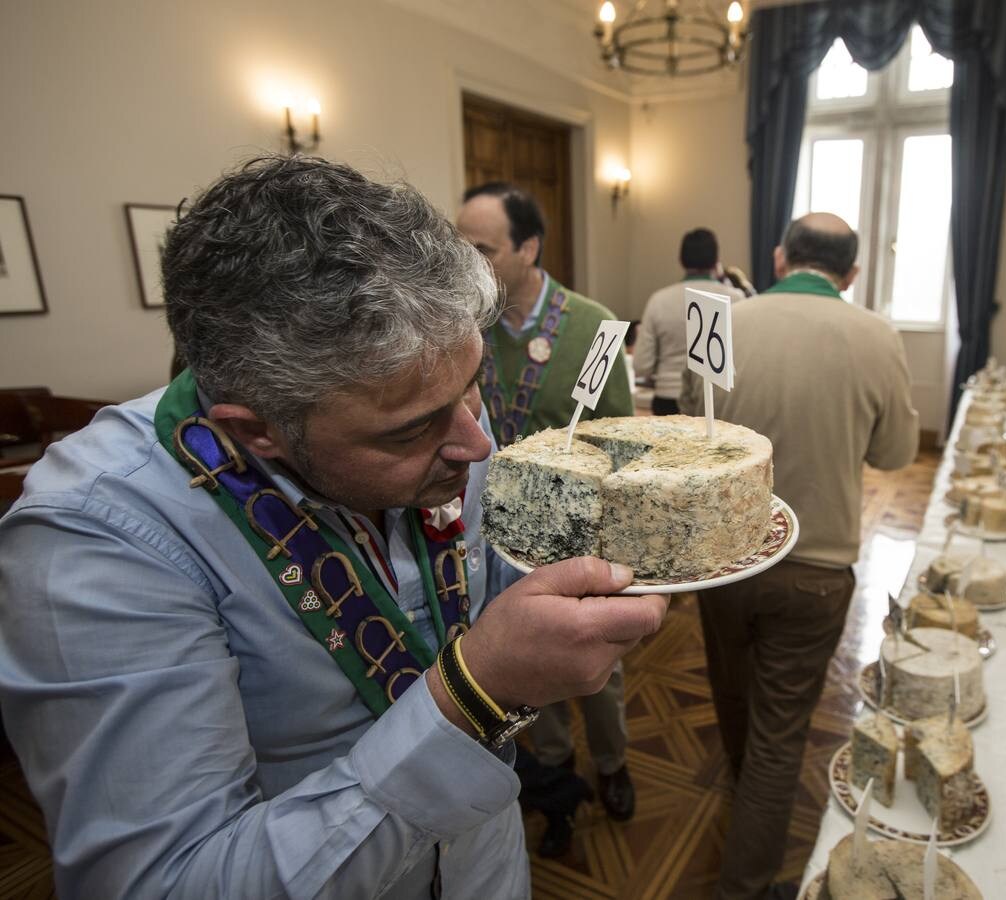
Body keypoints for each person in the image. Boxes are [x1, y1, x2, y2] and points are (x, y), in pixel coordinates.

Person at [0, 156, 668, 900]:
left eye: (470, 385)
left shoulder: (443, 426)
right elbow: (164, 884)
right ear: (259, 434)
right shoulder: (96, 536)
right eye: (411, 429)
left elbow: (495, 581)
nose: (478, 447)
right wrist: (476, 692)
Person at [681, 213, 919, 900]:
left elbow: (697, 435)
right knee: (781, 736)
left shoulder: (726, 319)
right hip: (817, 564)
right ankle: (746, 884)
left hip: (726, 554)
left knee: (730, 685)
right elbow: (896, 455)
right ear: (851, 274)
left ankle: (741, 781)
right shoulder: (877, 334)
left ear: (781, 257)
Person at [456, 183, 636, 856]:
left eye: (481, 248)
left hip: (575, 524)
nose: (464, 260)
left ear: (528, 249)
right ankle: (554, 759)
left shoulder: (590, 325)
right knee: (526, 648)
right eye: (459, 245)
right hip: (494, 525)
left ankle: (613, 761)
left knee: (596, 659)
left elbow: (620, 435)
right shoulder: (463, 323)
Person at [633, 228, 745, 416]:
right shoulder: (736, 299)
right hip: (716, 399)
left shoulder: (659, 300)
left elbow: (642, 366)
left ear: (681, 260)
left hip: (667, 399)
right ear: (716, 260)